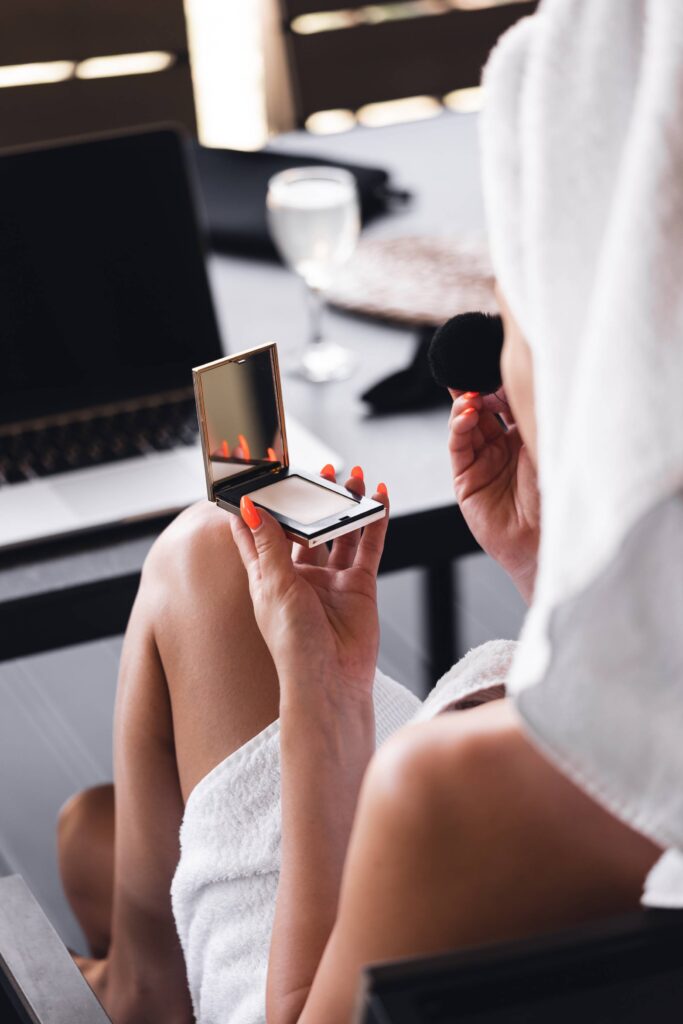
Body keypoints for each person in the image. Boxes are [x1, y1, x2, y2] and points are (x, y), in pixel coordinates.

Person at [57, 2, 683, 1022]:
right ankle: (124, 921)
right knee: (98, 821)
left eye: (515, 315)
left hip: (343, 948)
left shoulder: (454, 797)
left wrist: (326, 689)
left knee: (208, 551)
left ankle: (135, 988)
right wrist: (554, 579)